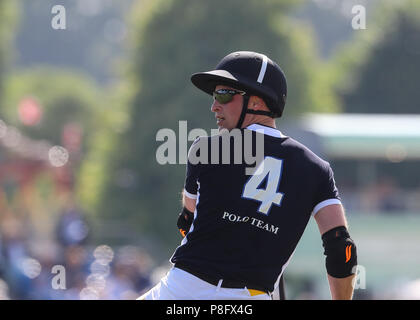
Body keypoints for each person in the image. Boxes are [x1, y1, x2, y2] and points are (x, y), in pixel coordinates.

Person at [138, 51, 357, 300]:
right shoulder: (317, 169)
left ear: (256, 101)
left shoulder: (206, 149)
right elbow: (341, 248)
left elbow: (187, 222)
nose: (214, 106)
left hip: (182, 291)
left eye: (223, 94)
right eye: (214, 96)